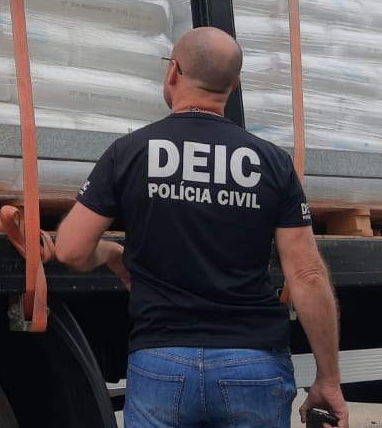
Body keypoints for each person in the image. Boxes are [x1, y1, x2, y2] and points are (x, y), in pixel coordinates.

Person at [54, 27, 348, 428]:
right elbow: (308, 275)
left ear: (173, 71)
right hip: (252, 360)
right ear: (235, 84)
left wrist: (109, 252)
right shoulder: (271, 162)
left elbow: (70, 249)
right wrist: (328, 379)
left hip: (161, 360)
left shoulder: (130, 151)